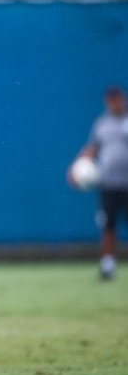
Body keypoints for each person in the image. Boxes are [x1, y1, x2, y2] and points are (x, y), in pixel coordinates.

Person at [72, 86, 128, 280]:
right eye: (112, 100)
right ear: (107, 102)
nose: (116, 104)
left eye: (118, 99)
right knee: (108, 226)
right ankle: (108, 266)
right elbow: (93, 148)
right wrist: (75, 168)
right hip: (109, 185)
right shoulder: (102, 124)